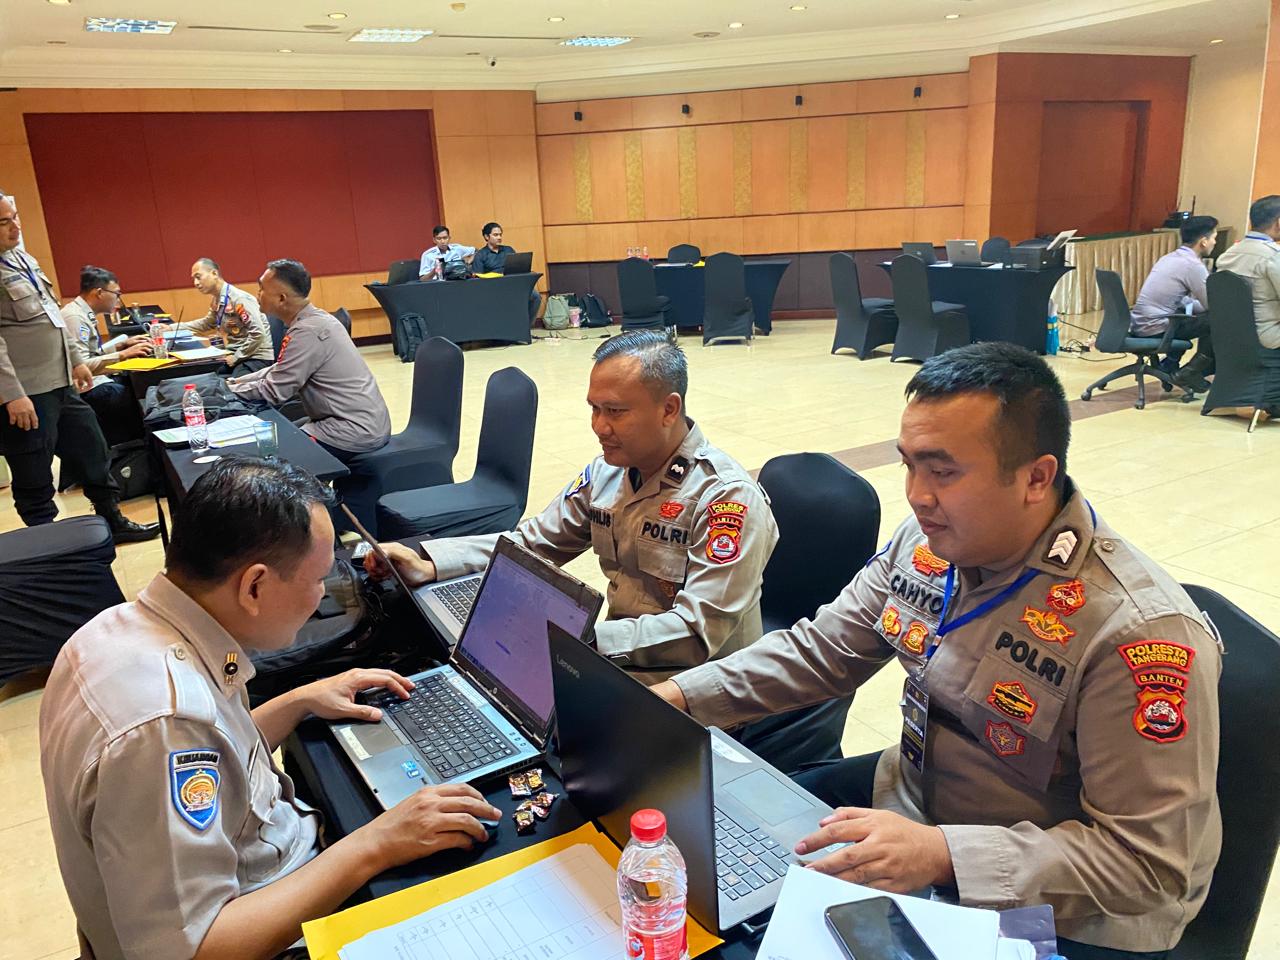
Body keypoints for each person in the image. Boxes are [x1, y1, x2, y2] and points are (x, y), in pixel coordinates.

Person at [652, 343, 1222, 960]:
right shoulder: (928, 543)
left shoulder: (1136, 632)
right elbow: (823, 650)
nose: (917, 496)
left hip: (1065, 902)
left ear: (1036, 477)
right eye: (909, 465)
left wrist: (944, 854)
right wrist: (676, 698)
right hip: (916, 797)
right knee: (718, 850)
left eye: (942, 472)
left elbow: (1148, 863)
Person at [40, 457, 503, 960]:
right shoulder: (164, 726)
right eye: (318, 578)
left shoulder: (113, 632)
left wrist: (300, 700)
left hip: (263, 865)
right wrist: (376, 844)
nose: (322, 595)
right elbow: (191, 950)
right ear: (255, 586)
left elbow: (218, 756)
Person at [0, 190, 158, 542]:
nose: (15, 227)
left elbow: (53, 319)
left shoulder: (23, 260)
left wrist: (75, 360)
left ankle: (113, 521)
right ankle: (48, 545)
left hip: (60, 383)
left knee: (92, 447)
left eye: (15, 217)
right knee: (34, 472)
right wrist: (11, 394)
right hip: (27, 391)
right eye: (4, 221)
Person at [229, 259, 390, 463]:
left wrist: (227, 393)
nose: (257, 294)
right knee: (281, 435)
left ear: (281, 298)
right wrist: (236, 382)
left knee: (267, 459)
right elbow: (281, 369)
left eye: (261, 289)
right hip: (357, 422)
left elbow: (275, 390)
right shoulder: (316, 320)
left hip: (351, 431)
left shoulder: (307, 331)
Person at [61, 265, 151, 446]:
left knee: (136, 384)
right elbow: (81, 366)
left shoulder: (82, 312)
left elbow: (91, 352)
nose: (118, 299)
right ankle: (132, 450)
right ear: (99, 293)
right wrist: (123, 355)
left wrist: (120, 345)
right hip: (85, 388)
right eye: (117, 294)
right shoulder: (75, 318)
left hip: (92, 382)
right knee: (135, 396)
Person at [1130, 215, 1218, 391]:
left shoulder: (1169, 258)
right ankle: (1191, 372)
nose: (1215, 242)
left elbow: (1182, 300)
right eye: (1214, 238)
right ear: (1203, 241)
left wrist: (1196, 307)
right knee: (1218, 319)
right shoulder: (1192, 265)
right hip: (1157, 328)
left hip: (1141, 323)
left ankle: (1170, 363)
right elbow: (1212, 305)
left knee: (1187, 313)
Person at [166, 257, 274, 377]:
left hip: (255, 357)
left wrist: (236, 357)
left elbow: (258, 334)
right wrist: (171, 328)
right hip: (235, 354)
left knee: (230, 385)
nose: (196, 283)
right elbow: (206, 323)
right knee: (201, 374)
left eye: (198, 277)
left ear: (214, 274)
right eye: (194, 279)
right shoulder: (217, 300)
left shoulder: (238, 299)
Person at [1214, 194, 1280, 350]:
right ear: (1279, 223)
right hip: (1267, 337)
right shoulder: (1273, 256)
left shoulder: (1228, 254)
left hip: (1230, 335)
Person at [471, 221, 541, 322]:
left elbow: (518, 268)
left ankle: (526, 327)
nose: (499, 237)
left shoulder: (508, 250)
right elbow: (477, 277)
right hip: (493, 288)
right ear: (486, 237)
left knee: (536, 297)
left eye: (500, 235)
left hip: (513, 285)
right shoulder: (481, 255)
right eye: (495, 235)